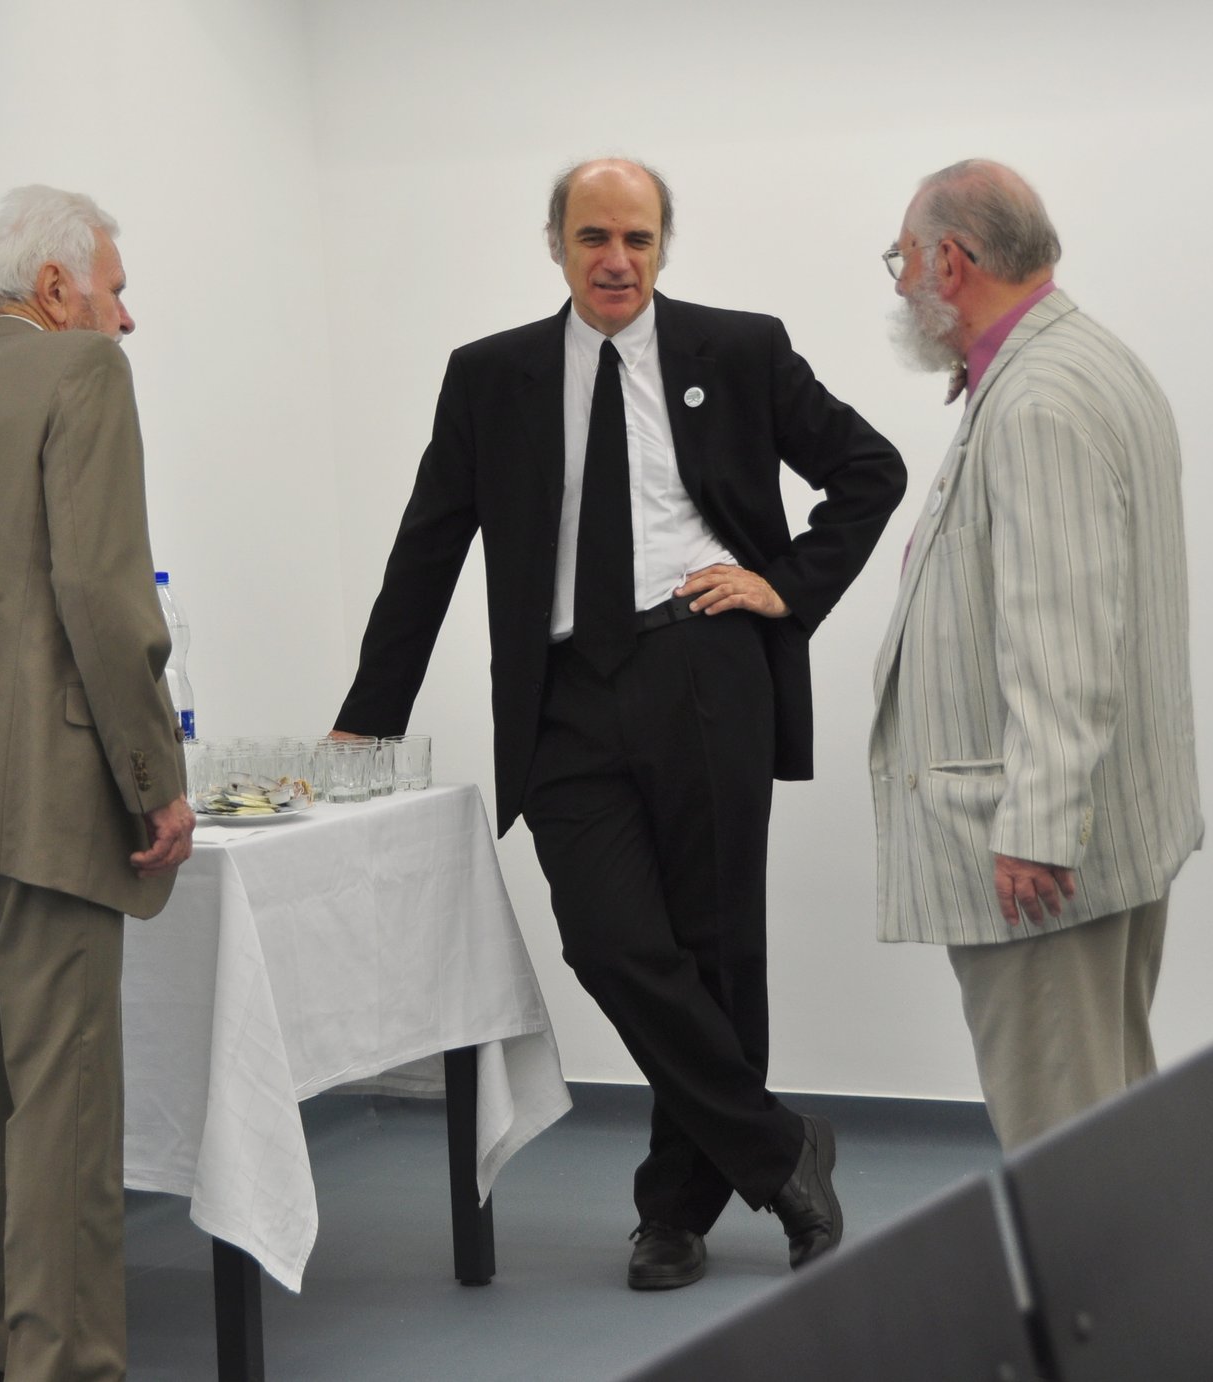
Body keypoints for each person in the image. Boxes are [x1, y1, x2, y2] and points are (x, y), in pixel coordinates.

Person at [334, 158, 905, 1288]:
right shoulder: (490, 376)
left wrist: (785, 584)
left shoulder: (737, 351)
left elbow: (868, 470)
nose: (616, 260)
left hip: (704, 665)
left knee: (715, 948)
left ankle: (673, 1215)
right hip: (563, 695)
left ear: (662, 246)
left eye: (637, 239)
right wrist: (367, 718)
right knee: (608, 940)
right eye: (593, 237)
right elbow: (428, 547)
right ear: (555, 243)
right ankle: (781, 1148)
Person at [0, 184, 195, 1381]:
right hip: (53, 806)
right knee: (63, 1117)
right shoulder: (84, 372)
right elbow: (105, 594)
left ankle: (0, 1361)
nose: (127, 318)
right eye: (116, 289)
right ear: (57, 289)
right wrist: (153, 777)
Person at [870, 159, 1204, 1151]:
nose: (901, 281)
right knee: (1107, 1113)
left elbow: (1062, 635)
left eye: (903, 258)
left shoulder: (1038, 399)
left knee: (1063, 1141)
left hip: (1044, 863)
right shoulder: (1082, 359)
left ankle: (1095, 1266)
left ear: (951, 261)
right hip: (1103, 830)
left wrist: (1038, 828)